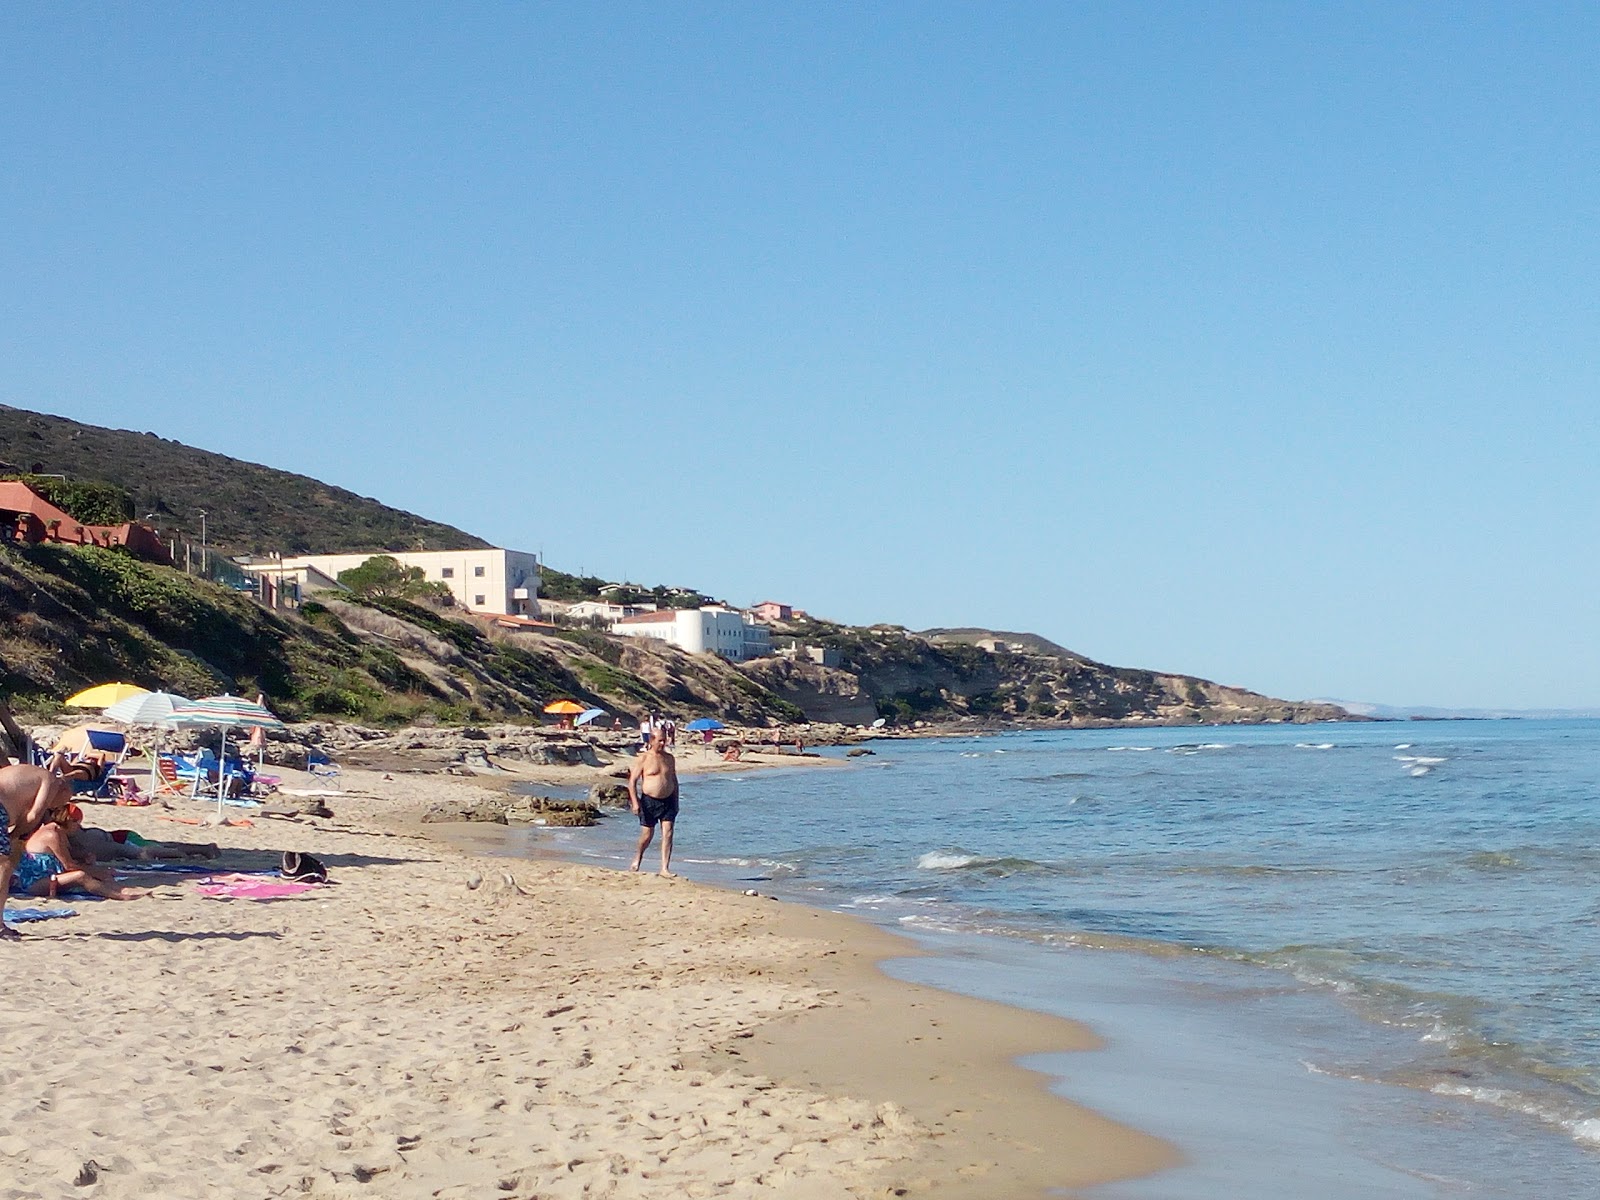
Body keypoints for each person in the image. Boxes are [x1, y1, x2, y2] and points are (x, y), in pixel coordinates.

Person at [0, 764, 74, 936]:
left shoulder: (30, 775)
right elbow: (34, 815)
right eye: (61, 803)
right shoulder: (51, 781)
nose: (55, 807)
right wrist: (15, 837)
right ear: (62, 790)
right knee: (4, 866)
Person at [13, 806, 146, 901]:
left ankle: (119, 889)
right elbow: (69, 865)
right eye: (77, 823)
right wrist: (95, 871)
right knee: (80, 875)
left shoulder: (59, 832)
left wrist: (85, 856)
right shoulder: (51, 835)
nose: (79, 827)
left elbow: (67, 853)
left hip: (50, 876)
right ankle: (118, 895)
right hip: (36, 882)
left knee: (97, 871)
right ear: (69, 820)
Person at [626, 727, 680, 876]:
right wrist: (635, 802)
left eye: (664, 740)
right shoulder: (644, 758)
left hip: (668, 801)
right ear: (651, 740)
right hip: (649, 801)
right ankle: (637, 858)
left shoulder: (669, 758)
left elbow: (674, 780)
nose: (662, 743)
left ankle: (664, 868)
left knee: (668, 833)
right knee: (647, 834)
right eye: (659, 740)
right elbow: (632, 782)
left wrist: (676, 801)